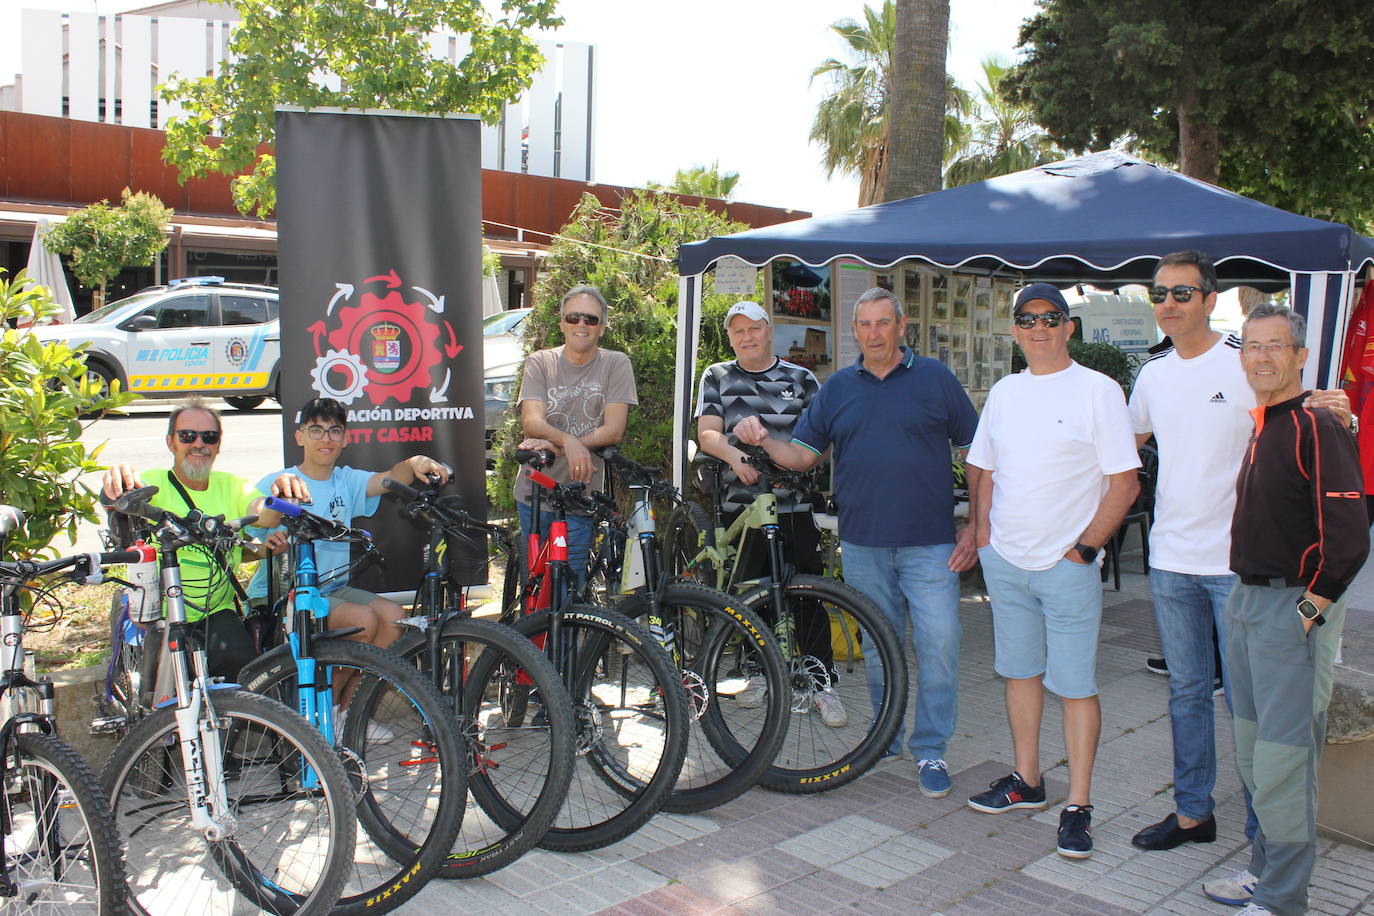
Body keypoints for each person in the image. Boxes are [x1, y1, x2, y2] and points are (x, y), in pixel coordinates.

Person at [1128, 252, 1352, 877]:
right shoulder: (1152, 376)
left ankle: (1265, 835)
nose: (1168, 303)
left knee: (1249, 709)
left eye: (1181, 292)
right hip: (1170, 561)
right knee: (1187, 693)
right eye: (1158, 293)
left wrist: (1329, 404)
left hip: (1239, 569)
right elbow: (1124, 444)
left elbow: (1295, 410)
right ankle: (1194, 815)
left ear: (1209, 297)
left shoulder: (1244, 357)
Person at [735, 287, 979, 798]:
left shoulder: (935, 380)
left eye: (883, 323)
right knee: (878, 645)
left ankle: (930, 747)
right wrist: (763, 442)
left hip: (931, 542)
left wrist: (977, 523)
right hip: (864, 543)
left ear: (901, 325)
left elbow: (977, 451)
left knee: (939, 643)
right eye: (864, 324)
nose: (873, 333)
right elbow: (802, 455)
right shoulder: (839, 387)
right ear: (856, 330)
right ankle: (885, 737)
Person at [1198, 304, 1367, 916]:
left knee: (1285, 761)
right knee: (1254, 754)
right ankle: (1266, 873)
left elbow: (1349, 535)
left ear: (1300, 356)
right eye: (1252, 347)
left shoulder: (1317, 426)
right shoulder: (1267, 422)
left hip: (1289, 610)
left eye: (1276, 347)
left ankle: (1283, 899)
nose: (1261, 357)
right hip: (1248, 600)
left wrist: (1309, 609)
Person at [964, 283, 1140, 860]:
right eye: (1026, 319)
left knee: (1075, 686)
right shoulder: (1006, 392)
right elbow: (982, 467)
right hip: (1007, 562)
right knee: (1019, 674)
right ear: (1015, 331)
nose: (1038, 327)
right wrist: (983, 534)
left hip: (1067, 566)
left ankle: (1079, 805)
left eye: (1050, 318)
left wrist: (1086, 551)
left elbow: (1124, 482)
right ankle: (1027, 782)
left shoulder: (1098, 390)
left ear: (1069, 327)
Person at [694, 300, 840, 724]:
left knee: (808, 594)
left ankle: (820, 680)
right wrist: (737, 458)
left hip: (795, 505)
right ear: (730, 338)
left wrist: (795, 465)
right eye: (737, 331)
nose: (746, 337)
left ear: (769, 331)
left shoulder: (802, 379)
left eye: (753, 328)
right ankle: (758, 671)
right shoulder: (717, 375)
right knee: (752, 595)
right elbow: (707, 434)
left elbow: (822, 441)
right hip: (743, 507)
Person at [101, 399, 307, 681]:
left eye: (209, 437)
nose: (199, 444)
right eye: (188, 436)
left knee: (246, 672)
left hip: (217, 612)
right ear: (170, 442)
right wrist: (115, 480)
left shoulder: (231, 485)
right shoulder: (152, 483)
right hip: (159, 611)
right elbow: (118, 502)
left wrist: (280, 496)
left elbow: (263, 514)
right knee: (156, 690)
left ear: (219, 445)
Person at [246, 396, 452, 653]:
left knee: (394, 617)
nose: (326, 438)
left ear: (345, 439)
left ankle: (355, 695)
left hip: (333, 589)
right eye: (316, 430)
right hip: (285, 595)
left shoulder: (346, 480)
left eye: (334, 431)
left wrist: (413, 464)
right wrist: (275, 500)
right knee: (363, 622)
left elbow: (390, 478)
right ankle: (334, 695)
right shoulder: (281, 480)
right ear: (300, 437)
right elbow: (257, 513)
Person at [515, 285, 637, 592]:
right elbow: (531, 422)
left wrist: (558, 444)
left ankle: (567, 641)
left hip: (580, 494)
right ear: (562, 324)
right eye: (573, 317)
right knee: (535, 588)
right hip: (535, 491)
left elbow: (614, 430)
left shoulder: (616, 364)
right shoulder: (541, 362)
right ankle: (530, 641)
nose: (581, 325)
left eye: (590, 320)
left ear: (602, 329)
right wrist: (571, 443)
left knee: (569, 586)